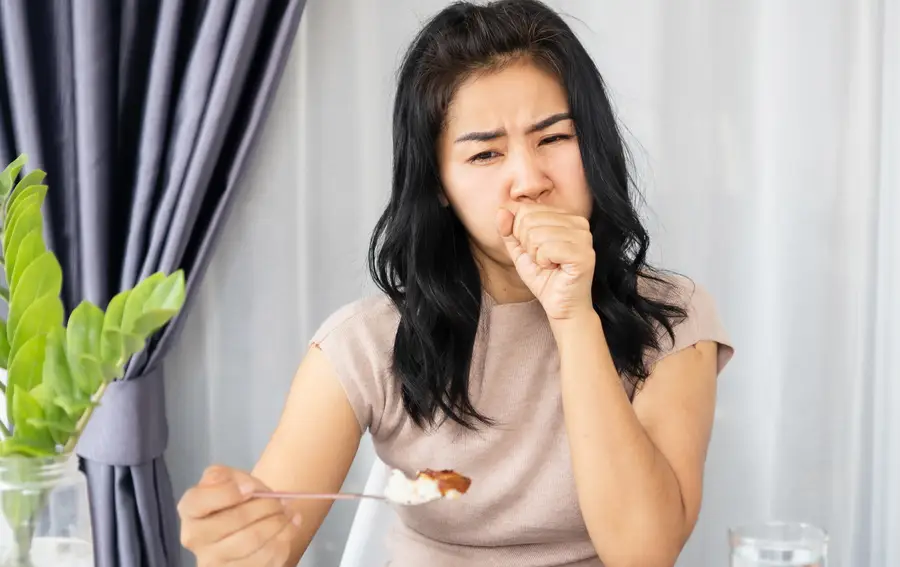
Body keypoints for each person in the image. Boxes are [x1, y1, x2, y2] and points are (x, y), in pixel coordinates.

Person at [177, 0, 734, 565]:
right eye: (486, 153)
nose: (529, 181)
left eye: (555, 138)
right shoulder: (364, 344)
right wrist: (234, 539)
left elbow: (645, 554)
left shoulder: (672, 320)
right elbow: (273, 531)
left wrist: (573, 317)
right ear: (439, 183)